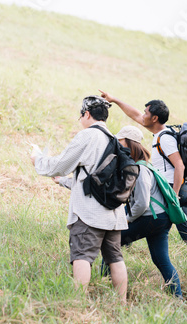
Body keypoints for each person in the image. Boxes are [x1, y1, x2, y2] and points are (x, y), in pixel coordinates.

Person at [30, 95, 128, 302]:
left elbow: (61, 165)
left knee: (82, 255)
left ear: (87, 114)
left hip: (89, 211)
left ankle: (78, 302)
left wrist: (38, 160)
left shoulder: (88, 136)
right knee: (115, 258)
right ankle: (122, 303)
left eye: (81, 115)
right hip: (113, 214)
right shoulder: (114, 139)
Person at [99, 90, 187, 262]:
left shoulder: (164, 139)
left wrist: (173, 194)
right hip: (186, 189)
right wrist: (114, 100)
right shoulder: (162, 133)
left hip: (176, 190)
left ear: (155, 118)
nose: (142, 115)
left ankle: (113, 258)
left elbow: (179, 165)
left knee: (133, 219)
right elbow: (134, 114)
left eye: (146, 113)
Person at [101, 126, 183, 298]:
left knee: (110, 245)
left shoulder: (140, 170)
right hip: (162, 219)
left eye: (120, 142)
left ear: (130, 145)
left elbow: (142, 203)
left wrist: (127, 219)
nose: (117, 145)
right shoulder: (147, 166)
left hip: (150, 218)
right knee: (161, 260)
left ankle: (104, 285)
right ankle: (178, 298)